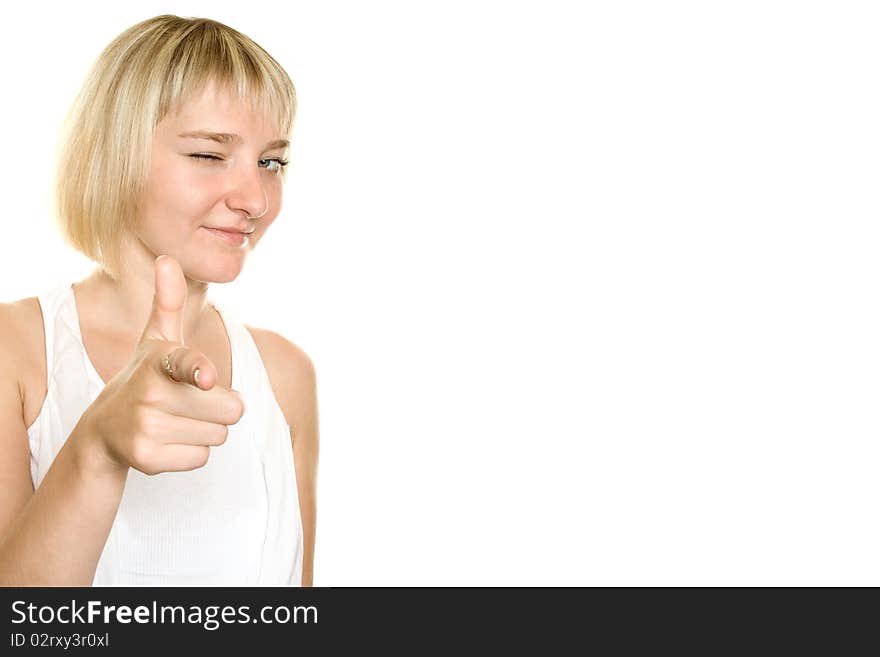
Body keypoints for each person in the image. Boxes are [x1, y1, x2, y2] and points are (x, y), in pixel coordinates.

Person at [0, 15, 318, 586]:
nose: (254, 199)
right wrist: (96, 448)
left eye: (271, 162)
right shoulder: (15, 352)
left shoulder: (285, 377)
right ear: (113, 154)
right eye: (208, 154)